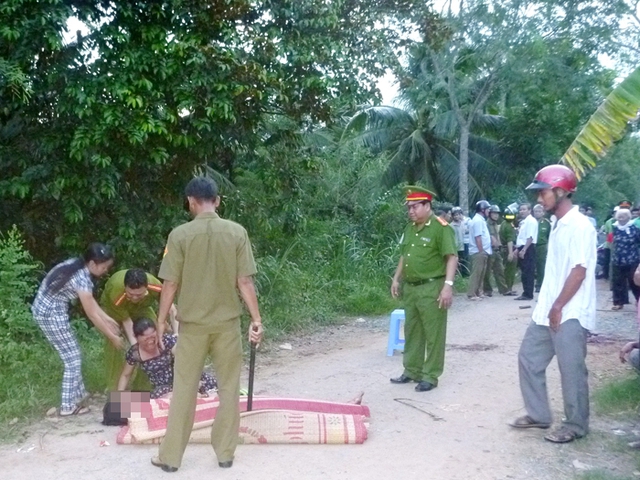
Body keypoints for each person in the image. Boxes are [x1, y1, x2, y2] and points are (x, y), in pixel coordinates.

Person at [151, 176, 263, 473]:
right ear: (218, 200)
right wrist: (256, 319)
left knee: (184, 389)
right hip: (226, 326)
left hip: (192, 328)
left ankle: (171, 458)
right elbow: (245, 282)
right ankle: (225, 453)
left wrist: (161, 321)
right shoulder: (237, 233)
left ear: (190, 201)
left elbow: (171, 283)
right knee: (228, 388)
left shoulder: (180, 235)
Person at [510, 165, 596, 444]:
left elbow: (579, 270)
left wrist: (558, 306)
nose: (539, 199)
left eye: (543, 193)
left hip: (570, 310)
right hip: (549, 309)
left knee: (571, 369)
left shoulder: (580, 225)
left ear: (560, 191)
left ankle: (575, 424)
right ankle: (539, 415)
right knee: (529, 357)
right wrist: (549, 307)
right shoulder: (558, 224)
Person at [31, 243, 123, 416]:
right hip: (50, 315)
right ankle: (67, 406)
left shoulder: (77, 264)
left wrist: (107, 317)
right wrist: (112, 337)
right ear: (94, 264)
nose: (105, 271)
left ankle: (80, 394)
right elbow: (92, 315)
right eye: (104, 267)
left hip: (46, 310)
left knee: (73, 353)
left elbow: (90, 301)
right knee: (72, 359)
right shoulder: (81, 278)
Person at [390, 186, 457, 392]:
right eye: (409, 207)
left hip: (431, 287)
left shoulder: (441, 227)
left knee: (433, 333)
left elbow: (451, 257)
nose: (411, 211)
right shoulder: (410, 228)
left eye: (415, 206)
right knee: (412, 331)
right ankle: (412, 370)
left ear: (427, 206)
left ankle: (430, 375)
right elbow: (405, 255)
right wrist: (396, 278)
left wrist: (448, 286)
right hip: (411, 288)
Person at [101, 268, 179, 391]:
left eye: (139, 295)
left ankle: (142, 388)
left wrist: (176, 334)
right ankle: (114, 389)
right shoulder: (116, 292)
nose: (135, 298)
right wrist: (137, 348)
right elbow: (126, 321)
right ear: (125, 287)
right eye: (131, 294)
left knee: (155, 338)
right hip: (115, 310)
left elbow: (171, 309)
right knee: (115, 342)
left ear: (146, 288)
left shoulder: (155, 285)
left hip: (142, 308)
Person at [117, 318, 216, 399]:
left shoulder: (166, 341)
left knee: (219, 388)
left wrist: (194, 381)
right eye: (146, 339)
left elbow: (187, 360)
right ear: (136, 338)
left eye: (153, 337)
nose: (151, 341)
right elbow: (125, 375)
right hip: (163, 388)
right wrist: (119, 397)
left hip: (183, 380)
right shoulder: (135, 353)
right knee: (119, 406)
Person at [610, 208, 640, 310]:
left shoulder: (634, 228)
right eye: (619, 216)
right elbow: (611, 240)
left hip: (632, 258)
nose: (620, 218)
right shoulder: (615, 228)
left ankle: (638, 300)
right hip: (618, 258)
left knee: (634, 281)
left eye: (623, 216)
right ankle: (618, 302)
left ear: (628, 217)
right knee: (618, 281)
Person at [467, 200, 492, 300]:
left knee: (481, 273)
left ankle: (478, 292)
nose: (489, 211)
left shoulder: (481, 220)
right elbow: (478, 237)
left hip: (483, 250)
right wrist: (481, 250)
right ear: (482, 209)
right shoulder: (477, 221)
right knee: (477, 273)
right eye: (488, 209)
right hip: (478, 251)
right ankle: (472, 293)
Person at [483, 205, 509, 296]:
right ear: (490, 214)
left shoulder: (496, 224)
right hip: (490, 249)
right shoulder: (486, 224)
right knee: (487, 271)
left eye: (497, 213)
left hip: (497, 249)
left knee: (500, 270)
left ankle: (504, 290)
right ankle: (487, 290)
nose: (496, 215)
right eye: (494, 213)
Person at [515, 203, 538, 300]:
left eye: (524, 209)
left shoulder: (531, 221)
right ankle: (525, 292)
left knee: (528, 271)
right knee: (524, 271)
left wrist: (524, 249)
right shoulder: (524, 222)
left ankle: (528, 294)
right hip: (523, 247)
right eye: (520, 210)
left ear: (529, 210)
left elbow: (530, 237)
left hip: (528, 247)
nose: (522, 211)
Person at [500, 204, 518, 296]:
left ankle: (508, 288)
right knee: (510, 270)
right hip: (508, 249)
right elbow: (510, 240)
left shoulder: (504, 223)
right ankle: (509, 288)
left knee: (507, 269)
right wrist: (511, 253)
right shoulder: (509, 226)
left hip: (503, 249)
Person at [533, 204, 551, 293]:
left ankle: (539, 285)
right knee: (530, 266)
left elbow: (549, 236)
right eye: (536, 211)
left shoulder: (547, 223)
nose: (537, 213)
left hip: (541, 246)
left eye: (539, 211)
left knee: (541, 266)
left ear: (543, 213)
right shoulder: (529, 222)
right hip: (531, 246)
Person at [450, 207, 467, 276]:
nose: (457, 216)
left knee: (464, 261)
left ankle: (464, 275)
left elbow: (465, 231)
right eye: (455, 215)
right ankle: (457, 275)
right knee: (457, 262)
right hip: (456, 247)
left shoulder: (462, 224)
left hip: (462, 246)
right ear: (452, 216)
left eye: (459, 214)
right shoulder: (451, 225)